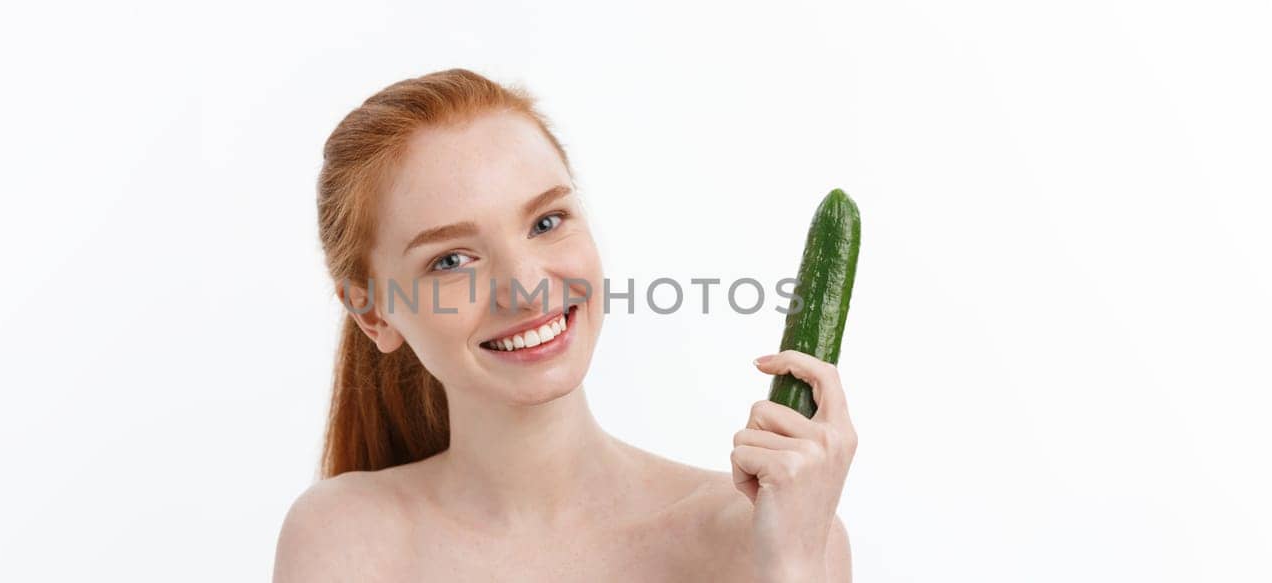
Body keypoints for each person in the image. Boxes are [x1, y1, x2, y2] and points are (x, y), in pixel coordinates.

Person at [273, 68, 858, 582]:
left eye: (547, 221)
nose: (526, 288)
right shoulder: (341, 540)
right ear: (373, 313)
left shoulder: (773, 532)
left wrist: (793, 566)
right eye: (451, 260)